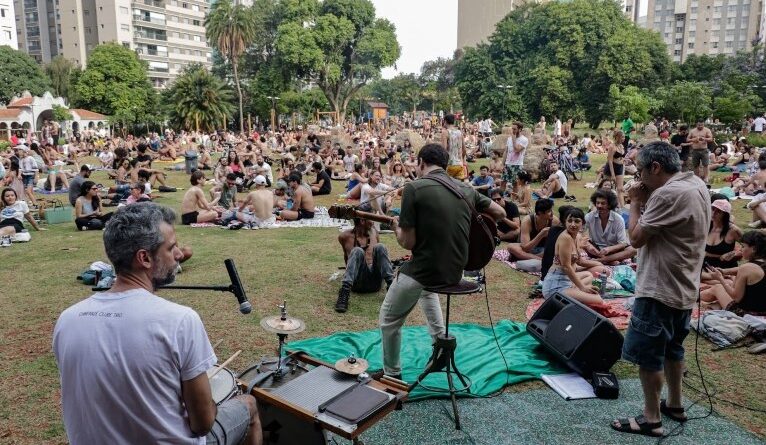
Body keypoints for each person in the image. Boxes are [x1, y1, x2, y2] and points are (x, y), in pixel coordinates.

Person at [53, 203, 262, 444]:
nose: (180, 254)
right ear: (144, 258)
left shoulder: (68, 319)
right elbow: (202, 423)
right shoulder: (180, 320)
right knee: (249, 404)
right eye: (171, 247)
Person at [378, 144, 505, 380]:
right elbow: (500, 213)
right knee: (427, 293)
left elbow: (407, 242)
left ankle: (392, 375)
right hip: (456, 271)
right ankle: (440, 345)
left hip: (424, 271)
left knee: (389, 320)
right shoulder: (465, 189)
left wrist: (396, 227)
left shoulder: (414, 188)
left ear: (421, 162)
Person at [611, 142, 709, 438]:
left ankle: (651, 419)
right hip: (683, 286)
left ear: (655, 167)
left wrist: (634, 202)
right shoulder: (695, 183)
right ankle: (675, 405)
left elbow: (637, 238)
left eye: (640, 172)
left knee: (649, 355)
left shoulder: (667, 194)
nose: (639, 179)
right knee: (673, 348)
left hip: (659, 288)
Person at [542, 208, 604, 304]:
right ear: (565, 222)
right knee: (598, 301)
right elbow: (566, 267)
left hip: (566, 280)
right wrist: (582, 288)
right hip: (555, 286)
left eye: (577, 221)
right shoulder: (565, 237)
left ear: (582, 223)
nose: (573, 224)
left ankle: (575, 291)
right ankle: (575, 292)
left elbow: (580, 261)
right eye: (569, 221)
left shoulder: (575, 237)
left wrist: (600, 263)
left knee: (589, 275)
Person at [335, 217, 395, 313]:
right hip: (358, 283)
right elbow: (346, 258)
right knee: (357, 250)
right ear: (362, 221)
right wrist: (350, 274)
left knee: (380, 247)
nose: (373, 222)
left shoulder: (374, 233)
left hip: (376, 283)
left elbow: (379, 258)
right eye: (371, 219)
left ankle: (392, 289)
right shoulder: (344, 236)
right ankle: (344, 293)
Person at [701, 231, 766, 314]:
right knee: (732, 281)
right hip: (762, 310)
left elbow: (736, 298)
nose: (740, 249)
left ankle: (695, 297)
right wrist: (725, 271)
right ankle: (715, 305)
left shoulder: (747, 268)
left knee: (717, 288)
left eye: (743, 246)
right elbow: (744, 269)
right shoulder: (760, 263)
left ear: (754, 249)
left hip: (746, 313)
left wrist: (720, 278)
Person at [583, 189, 636, 264]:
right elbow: (580, 235)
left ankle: (600, 260)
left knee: (633, 250)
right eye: (597, 203)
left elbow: (623, 243)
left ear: (610, 205)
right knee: (578, 244)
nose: (599, 206)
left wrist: (609, 249)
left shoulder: (618, 219)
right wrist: (588, 246)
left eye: (603, 203)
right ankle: (609, 260)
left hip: (613, 250)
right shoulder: (589, 216)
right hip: (595, 249)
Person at [506, 198, 558, 263]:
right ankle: (539, 259)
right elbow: (525, 248)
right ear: (540, 213)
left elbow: (555, 245)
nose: (552, 213)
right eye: (549, 211)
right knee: (511, 247)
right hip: (530, 249)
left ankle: (525, 257)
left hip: (543, 250)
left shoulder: (554, 221)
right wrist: (541, 234)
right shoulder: (527, 221)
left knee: (552, 250)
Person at [702, 199, 743, 270]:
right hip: (705, 268)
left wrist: (733, 253)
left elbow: (749, 247)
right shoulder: (705, 226)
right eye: (713, 209)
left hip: (725, 270)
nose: (713, 213)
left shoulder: (733, 230)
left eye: (718, 211)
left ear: (725, 215)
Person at [501, 121, 529, 191]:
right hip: (507, 164)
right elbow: (506, 151)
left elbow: (517, 149)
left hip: (517, 165)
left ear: (520, 129)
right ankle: (500, 199)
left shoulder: (524, 139)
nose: (513, 131)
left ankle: (514, 200)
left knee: (515, 183)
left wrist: (514, 139)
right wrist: (502, 164)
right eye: (512, 129)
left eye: (514, 129)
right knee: (503, 182)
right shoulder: (509, 139)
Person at [605, 130, 626, 208]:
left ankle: (623, 208)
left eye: (624, 137)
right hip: (611, 168)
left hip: (620, 167)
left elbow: (622, 158)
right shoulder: (612, 146)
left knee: (620, 189)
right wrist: (613, 174)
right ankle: (604, 204)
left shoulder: (621, 146)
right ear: (617, 137)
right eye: (622, 137)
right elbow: (609, 161)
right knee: (606, 188)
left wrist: (623, 163)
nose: (624, 138)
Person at [441, 114, 466, 180]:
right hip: (460, 164)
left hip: (450, 164)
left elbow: (444, 150)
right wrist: (462, 160)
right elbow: (464, 149)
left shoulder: (445, 132)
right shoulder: (460, 132)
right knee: (459, 187)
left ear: (445, 121)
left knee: (448, 186)